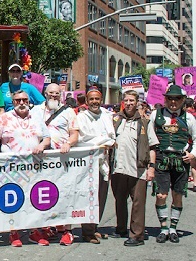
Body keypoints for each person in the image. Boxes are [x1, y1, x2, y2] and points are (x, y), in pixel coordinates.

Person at [0, 90, 50, 247]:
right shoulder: (4, 118)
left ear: (29, 101)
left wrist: (42, 145)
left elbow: (47, 138)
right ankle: (13, 232)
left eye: (24, 99)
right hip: (11, 168)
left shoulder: (37, 118)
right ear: (13, 102)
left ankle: (34, 232)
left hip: (34, 166)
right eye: (17, 100)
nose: (21, 103)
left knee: (33, 199)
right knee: (14, 200)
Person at [29, 83, 79, 245]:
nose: (54, 96)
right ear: (45, 93)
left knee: (64, 192)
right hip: (41, 160)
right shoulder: (35, 111)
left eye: (57, 93)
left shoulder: (69, 112)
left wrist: (69, 144)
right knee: (42, 193)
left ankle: (66, 230)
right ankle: (44, 227)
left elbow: (75, 134)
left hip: (61, 159)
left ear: (61, 94)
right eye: (51, 93)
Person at [148, 84, 196, 243]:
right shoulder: (156, 115)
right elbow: (149, 138)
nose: (173, 102)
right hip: (162, 158)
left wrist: (192, 154)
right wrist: (151, 162)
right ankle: (163, 228)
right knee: (161, 195)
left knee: (177, 195)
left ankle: (173, 228)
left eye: (177, 99)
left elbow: (195, 139)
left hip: (181, 160)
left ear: (183, 100)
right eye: (170, 98)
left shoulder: (189, 118)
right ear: (165, 99)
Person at [111, 90, 154, 246]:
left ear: (137, 103)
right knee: (119, 200)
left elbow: (153, 147)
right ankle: (121, 228)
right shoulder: (116, 120)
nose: (129, 103)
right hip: (118, 168)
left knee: (137, 203)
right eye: (126, 100)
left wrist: (151, 168)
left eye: (132, 101)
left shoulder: (144, 122)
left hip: (138, 169)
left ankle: (137, 235)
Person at [76, 88, 116, 244]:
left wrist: (105, 141)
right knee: (88, 196)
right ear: (87, 101)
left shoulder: (106, 116)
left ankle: (94, 227)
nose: (94, 102)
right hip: (88, 163)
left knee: (101, 195)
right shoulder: (81, 117)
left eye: (97, 99)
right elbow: (82, 139)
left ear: (101, 100)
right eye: (91, 99)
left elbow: (111, 136)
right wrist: (103, 141)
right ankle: (87, 231)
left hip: (103, 161)